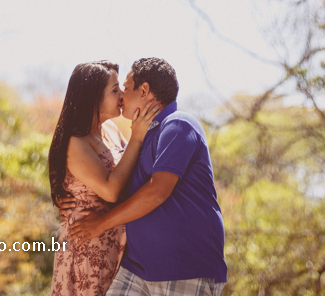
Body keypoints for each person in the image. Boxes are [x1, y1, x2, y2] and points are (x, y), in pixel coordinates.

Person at [70, 58, 227, 296]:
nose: (121, 94)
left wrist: (99, 225)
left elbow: (156, 192)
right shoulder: (139, 139)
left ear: (144, 90)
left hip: (185, 268)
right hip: (136, 269)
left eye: (126, 87)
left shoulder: (178, 125)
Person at [49, 60, 161, 296]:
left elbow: (130, 175)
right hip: (88, 248)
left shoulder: (110, 130)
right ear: (93, 98)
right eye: (114, 89)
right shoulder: (76, 143)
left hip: (118, 243)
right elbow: (110, 190)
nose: (122, 93)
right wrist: (137, 138)